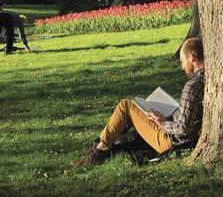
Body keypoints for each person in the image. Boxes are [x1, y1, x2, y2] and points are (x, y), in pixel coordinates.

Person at [71, 37, 205, 166]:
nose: (182, 67)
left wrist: (163, 122)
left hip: (171, 141)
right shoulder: (208, 79)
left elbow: (183, 129)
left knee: (126, 106)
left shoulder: (192, 86)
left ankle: (99, 150)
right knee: (138, 115)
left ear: (191, 57)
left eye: (182, 62)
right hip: (181, 139)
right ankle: (104, 144)